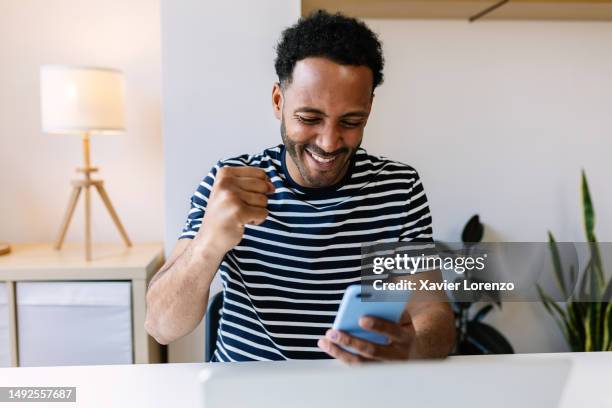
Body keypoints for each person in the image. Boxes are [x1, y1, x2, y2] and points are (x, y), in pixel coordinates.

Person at [145, 10, 455, 363]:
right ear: (279, 101)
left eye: (351, 121)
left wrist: (413, 345)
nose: (328, 141)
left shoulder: (399, 189)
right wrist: (207, 244)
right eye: (309, 118)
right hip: (246, 392)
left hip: (354, 392)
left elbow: (434, 316)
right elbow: (160, 326)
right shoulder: (229, 184)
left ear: (369, 108)